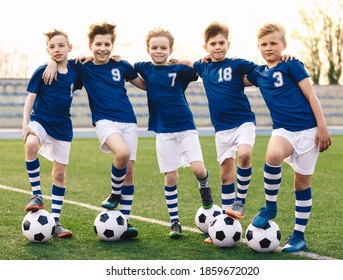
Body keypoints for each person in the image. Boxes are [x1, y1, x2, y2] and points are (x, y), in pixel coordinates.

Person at [43, 22, 146, 239]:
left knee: (129, 173)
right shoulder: (83, 67)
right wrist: (50, 61)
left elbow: (145, 85)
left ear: (112, 45)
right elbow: (61, 60)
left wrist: (172, 67)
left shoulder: (122, 66)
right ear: (90, 45)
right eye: (98, 44)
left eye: (107, 44)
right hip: (105, 121)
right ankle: (114, 194)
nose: (103, 48)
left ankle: (124, 223)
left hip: (129, 121)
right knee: (122, 153)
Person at [244, 23, 332, 252]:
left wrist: (322, 127)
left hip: (309, 131)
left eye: (274, 43)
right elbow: (234, 75)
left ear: (284, 45)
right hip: (283, 130)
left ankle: (298, 235)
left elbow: (311, 95)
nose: (269, 47)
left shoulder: (291, 64)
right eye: (264, 44)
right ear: (258, 47)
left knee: (301, 184)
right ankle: (270, 207)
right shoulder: (258, 73)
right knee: (272, 155)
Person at [133, 27, 214, 239]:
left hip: (186, 126)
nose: (158, 51)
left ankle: (205, 188)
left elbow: (197, 69)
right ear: (148, 49)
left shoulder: (178, 69)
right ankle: (174, 221)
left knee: (198, 169)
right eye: (154, 47)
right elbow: (127, 68)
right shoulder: (144, 68)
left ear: (170, 50)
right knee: (170, 176)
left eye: (163, 48)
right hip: (163, 131)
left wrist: (184, 61)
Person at [177, 22, 259, 224]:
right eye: (213, 44)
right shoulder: (203, 66)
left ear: (228, 44)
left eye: (221, 42)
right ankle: (225, 222)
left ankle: (240, 201)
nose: (218, 47)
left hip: (243, 122)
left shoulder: (238, 63)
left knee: (245, 155)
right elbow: (188, 63)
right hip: (221, 129)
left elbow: (262, 70)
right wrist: (175, 60)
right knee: (225, 176)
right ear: (206, 47)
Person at [22, 29, 82, 238]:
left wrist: (115, 57)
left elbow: (90, 61)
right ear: (47, 50)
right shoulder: (42, 71)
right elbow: (30, 98)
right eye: (52, 47)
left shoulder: (76, 71)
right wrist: (25, 124)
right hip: (41, 120)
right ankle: (37, 195)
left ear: (70, 48)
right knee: (30, 145)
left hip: (63, 126)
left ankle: (55, 223)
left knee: (59, 174)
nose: (57, 50)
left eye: (61, 45)